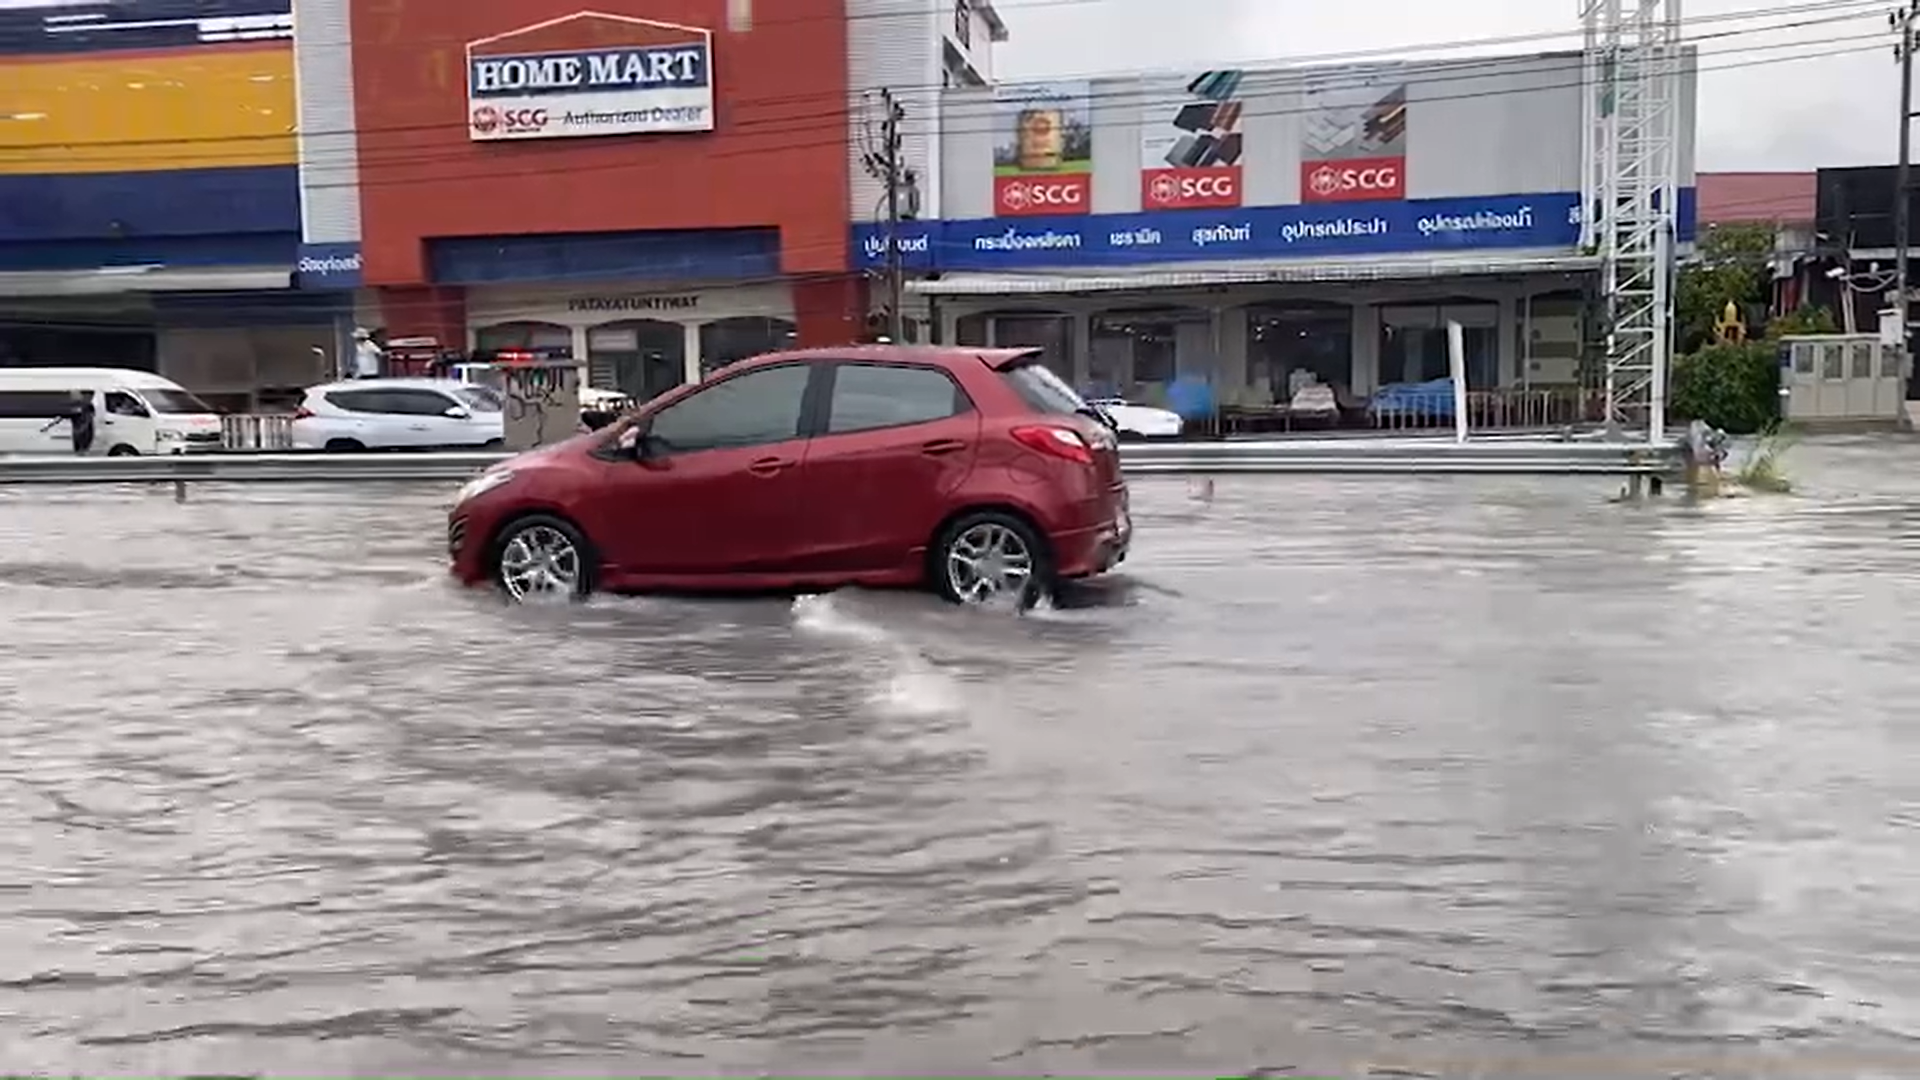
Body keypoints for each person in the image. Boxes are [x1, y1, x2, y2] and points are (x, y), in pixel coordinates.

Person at [66, 390, 95, 455]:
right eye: (72, 395)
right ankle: (80, 450)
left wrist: (84, 426)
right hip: (77, 427)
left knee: (83, 439)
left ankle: (83, 450)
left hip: (84, 427)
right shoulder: (72, 405)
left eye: (74, 395)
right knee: (78, 441)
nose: (72, 397)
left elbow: (89, 417)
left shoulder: (86, 405)